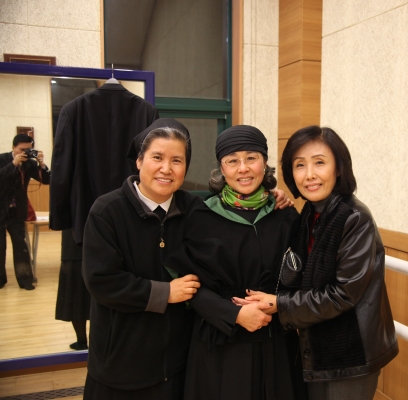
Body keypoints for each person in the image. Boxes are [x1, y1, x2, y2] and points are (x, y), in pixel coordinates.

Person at [238, 126, 398, 400]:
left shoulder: (354, 218)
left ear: (339, 168)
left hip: (350, 355)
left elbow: (342, 294)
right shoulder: (309, 214)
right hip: (315, 349)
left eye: (320, 163)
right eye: (300, 165)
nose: (309, 174)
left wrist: (280, 304)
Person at [164, 125, 307, 400]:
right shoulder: (200, 217)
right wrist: (234, 314)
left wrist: (279, 302)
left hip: (276, 341)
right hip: (220, 343)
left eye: (251, 158)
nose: (243, 168)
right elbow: (188, 286)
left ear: (264, 163)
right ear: (221, 168)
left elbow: (303, 277)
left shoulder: (286, 217)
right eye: (232, 161)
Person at [81, 118, 202, 399]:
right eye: (157, 157)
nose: (166, 169)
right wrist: (165, 293)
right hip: (120, 362)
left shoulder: (195, 209)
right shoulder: (107, 210)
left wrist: (272, 196)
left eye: (177, 160)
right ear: (139, 161)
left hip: (176, 363)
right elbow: (101, 280)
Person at [0, 134, 50, 290]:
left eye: (28, 150)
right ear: (13, 147)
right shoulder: (2, 159)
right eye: (22, 149)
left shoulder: (29, 164)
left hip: (16, 211)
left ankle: (25, 280)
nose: (25, 153)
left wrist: (42, 164)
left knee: (21, 246)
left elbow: (47, 180)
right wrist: (14, 164)